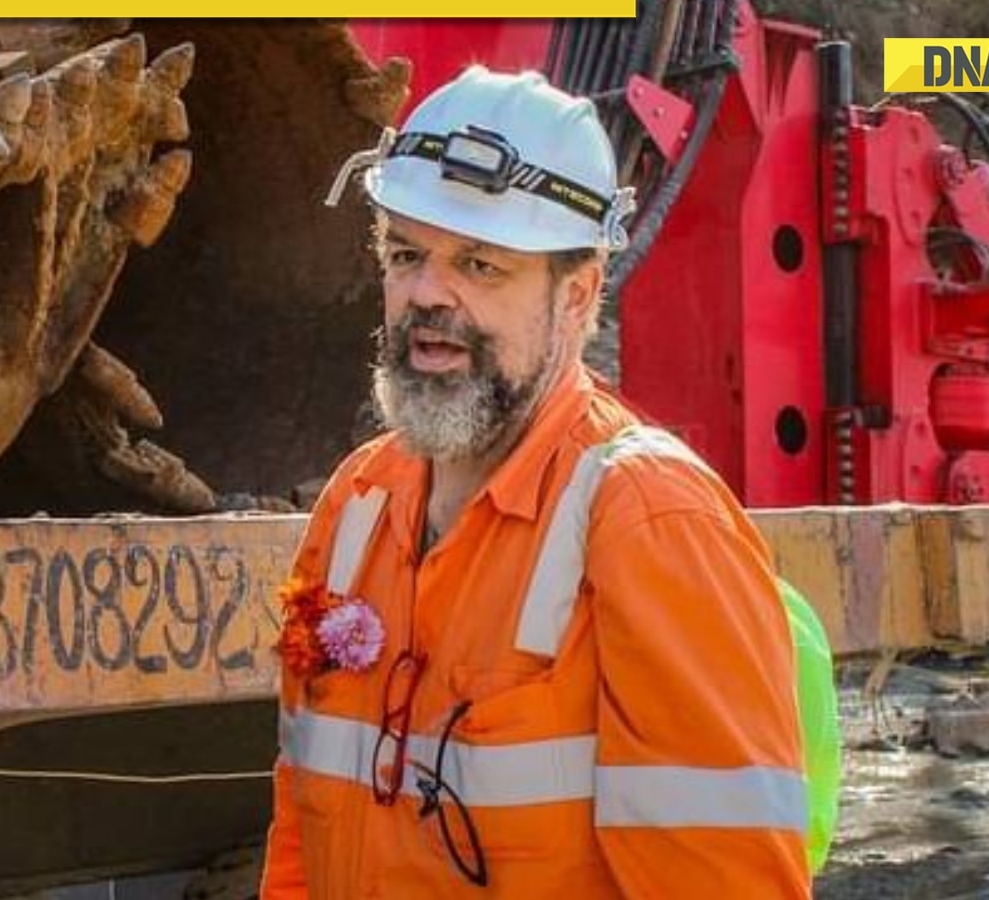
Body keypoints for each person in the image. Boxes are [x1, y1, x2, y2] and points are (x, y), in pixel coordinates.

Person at [259, 65, 811, 898]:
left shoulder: (650, 521)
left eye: (481, 267)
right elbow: (302, 827)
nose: (427, 296)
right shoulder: (357, 503)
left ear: (577, 295)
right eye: (407, 255)